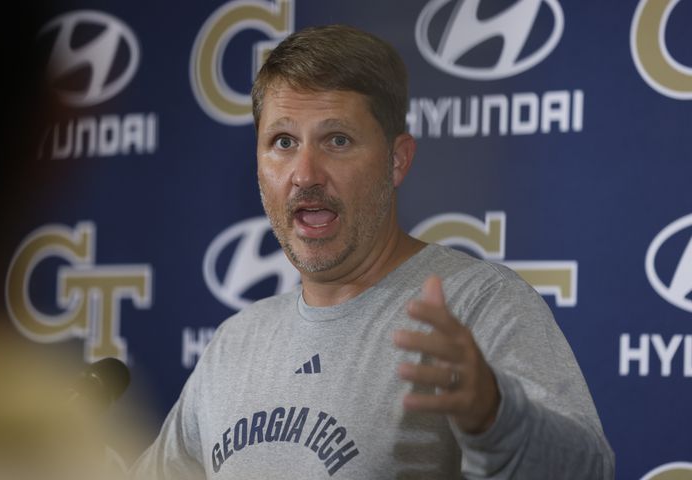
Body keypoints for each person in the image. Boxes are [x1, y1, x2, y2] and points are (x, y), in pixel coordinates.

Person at [132, 24, 614, 479]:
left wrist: (496, 413)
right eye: (282, 142)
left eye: (337, 140)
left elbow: (591, 470)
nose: (305, 174)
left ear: (397, 159)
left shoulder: (477, 304)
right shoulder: (234, 342)